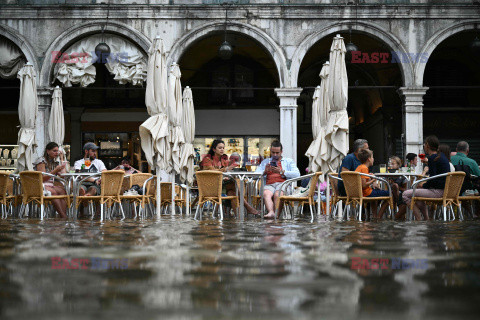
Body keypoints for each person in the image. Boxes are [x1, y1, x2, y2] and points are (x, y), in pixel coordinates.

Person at [396, 135, 450, 221]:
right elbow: (438, 173)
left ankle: (418, 219)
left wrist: (423, 185)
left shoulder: (433, 158)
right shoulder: (442, 157)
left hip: (438, 192)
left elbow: (433, 180)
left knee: (405, 194)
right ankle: (426, 218)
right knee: (416, 193)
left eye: (424, 144)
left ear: (427, 145)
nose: (424, 146)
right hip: (445, 191)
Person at [200, 139, 259, 216]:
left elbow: (225, 171)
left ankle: (238, 217)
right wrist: (226, 169)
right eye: (220, 148)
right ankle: (248, 208)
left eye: (223, 148)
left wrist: (231, 165)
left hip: (221, 186)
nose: (222, 150)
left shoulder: (223, 160)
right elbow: (213, 172)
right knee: (233, 184)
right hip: (210, 187)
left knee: (232, 193)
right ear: (214, 149)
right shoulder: (207, 159)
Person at [255, 140, 300, 219]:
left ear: (281, 152)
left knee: (277, 194)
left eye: (277, 153)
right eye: (273, 152)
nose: (275, 155)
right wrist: (264, 171)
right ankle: (271, 212)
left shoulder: (288, 161)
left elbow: (297, 174)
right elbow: (255, 175)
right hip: (269, 185)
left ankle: (277, 216)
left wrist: (282, 172)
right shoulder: (265, 162)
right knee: (266, 193)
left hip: (283, 184)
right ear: (270, 151)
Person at [355, 149, 395, 219]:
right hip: (366, 193)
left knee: (376, 191)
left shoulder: (359, 167)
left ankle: (375, 215)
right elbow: (364, 185)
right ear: (369, 159)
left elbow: (362, 181)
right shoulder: (364, 168)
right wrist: (373, 179)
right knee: (390, 193)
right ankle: (379, 216)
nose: (373, 159)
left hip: (361, 193)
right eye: (372, 157)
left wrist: (369, 176)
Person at [33, 142, 68, 218]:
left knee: (63, 191)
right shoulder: (41, 161)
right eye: (54, 151)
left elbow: (63, 176)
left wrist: (62, 159)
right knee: (54, 192)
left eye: (57, 151)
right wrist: (55, 171)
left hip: (50, 185)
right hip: (39, 185)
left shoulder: (54, 162)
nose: (56, 153)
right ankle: (63, 216)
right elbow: (42, 178)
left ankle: (62, 214)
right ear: (48, 151)